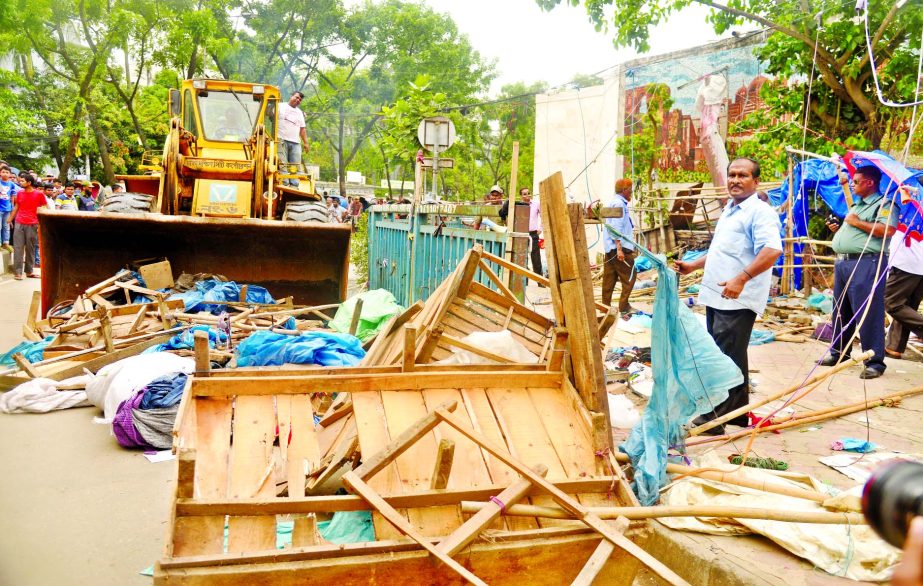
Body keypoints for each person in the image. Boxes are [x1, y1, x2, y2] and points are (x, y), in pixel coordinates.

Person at [675, 158, 782, 434]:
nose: (735, 180)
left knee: (723, 354)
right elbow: (722, 250)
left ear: (755, 181)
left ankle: (716, 418)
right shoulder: (731, 210)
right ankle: (736, 413)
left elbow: (771, 251)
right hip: (717, 294)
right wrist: (693, 265)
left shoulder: (760, 212)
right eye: (732, 175)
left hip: (737, 297)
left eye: (742, 175)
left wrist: (741, 279)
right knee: (731, 354)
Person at [818, 165, 899, 379]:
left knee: (868, 311)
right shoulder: (857, 205)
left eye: (856, 181)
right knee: (840, 309)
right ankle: (839, 352)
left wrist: (855, 222)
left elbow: (887, 230)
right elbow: (854, 228)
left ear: (870, 183)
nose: (852, 185)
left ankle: (874, 361)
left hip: (866, 262)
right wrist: (841, 228)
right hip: (844, 262)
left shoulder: (884, 205)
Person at [883, 185, 923, 359]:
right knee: (908, 305)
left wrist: (907, 194)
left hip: (908, 261)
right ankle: (894, 346)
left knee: (891, 302)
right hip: (916, 262)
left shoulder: (911, 203)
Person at [602, 178, 638, 313]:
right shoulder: (619, 204)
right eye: (630, 190)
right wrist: (619, 249)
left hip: (610, 247)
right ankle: (624, 307)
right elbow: (616, 227)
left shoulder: (613, 202)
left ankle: (604, 307)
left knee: (609, 278)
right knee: (630, 276)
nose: (631, 193)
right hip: (620, 248)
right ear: (624, 190)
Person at [10, 173, 47, 280]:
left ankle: (29, 271)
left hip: (33, 223)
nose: (20, 182)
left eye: (22, 181)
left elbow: (44, 207)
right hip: (19, 222)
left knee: (30, 248)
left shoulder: (39, 194)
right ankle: (17, 272)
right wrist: (10, 219)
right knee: (18, 248)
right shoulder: (20, 193)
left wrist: (42, 223)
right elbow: (17, 206)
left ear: (29, 182)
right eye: (20, 181)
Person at [278, 91, 309, 187]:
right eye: (296, 97)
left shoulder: (299, 113)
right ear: (291, 96)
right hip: (281, 140)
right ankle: (285, 184)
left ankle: (294, 185)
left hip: (295, 142)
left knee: (295, 165)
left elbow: (302, 129)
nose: (298, 100)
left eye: (300, 99)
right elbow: (269, 113)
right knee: (282, 164)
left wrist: (306, 143)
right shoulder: (279, 106)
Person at [0, 164, 20, 253]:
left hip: (7, 209)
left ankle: (6, 243)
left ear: (10, 174)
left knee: (6, 226)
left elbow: (12, 196)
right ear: (0, 173)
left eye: (7, 172)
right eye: (3, 172)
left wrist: (12, 208)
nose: (5, 174)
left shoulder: (12, 184)